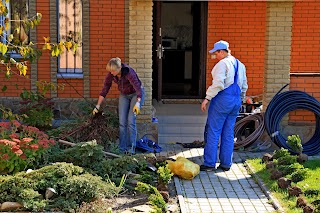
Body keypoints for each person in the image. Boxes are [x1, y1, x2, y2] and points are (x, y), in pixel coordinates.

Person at [200, 40, 248, 172]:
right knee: (228, 132)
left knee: (214, 131)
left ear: (222, 52)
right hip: (236, 100)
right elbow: (244, 86)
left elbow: (219, 84)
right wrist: (241, 100)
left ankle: (210, 163)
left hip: (222, 100)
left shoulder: (222, 64)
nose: (215, 56)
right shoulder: (240, 65)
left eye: (216, 53)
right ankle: (226, 163)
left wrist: (207, 98)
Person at [93, 57, 145, 154]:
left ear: (119, 68)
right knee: (122, 121)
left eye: (113, 71)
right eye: (110, 71)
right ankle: (122, 148)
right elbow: (105, 89)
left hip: (136, 94)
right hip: (124, 95)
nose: (111, 73)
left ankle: (131, 148)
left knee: (130, 120)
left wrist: (138, 103)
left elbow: (138, 88)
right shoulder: (111, 74)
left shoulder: (129, 72)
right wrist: (98, 106)